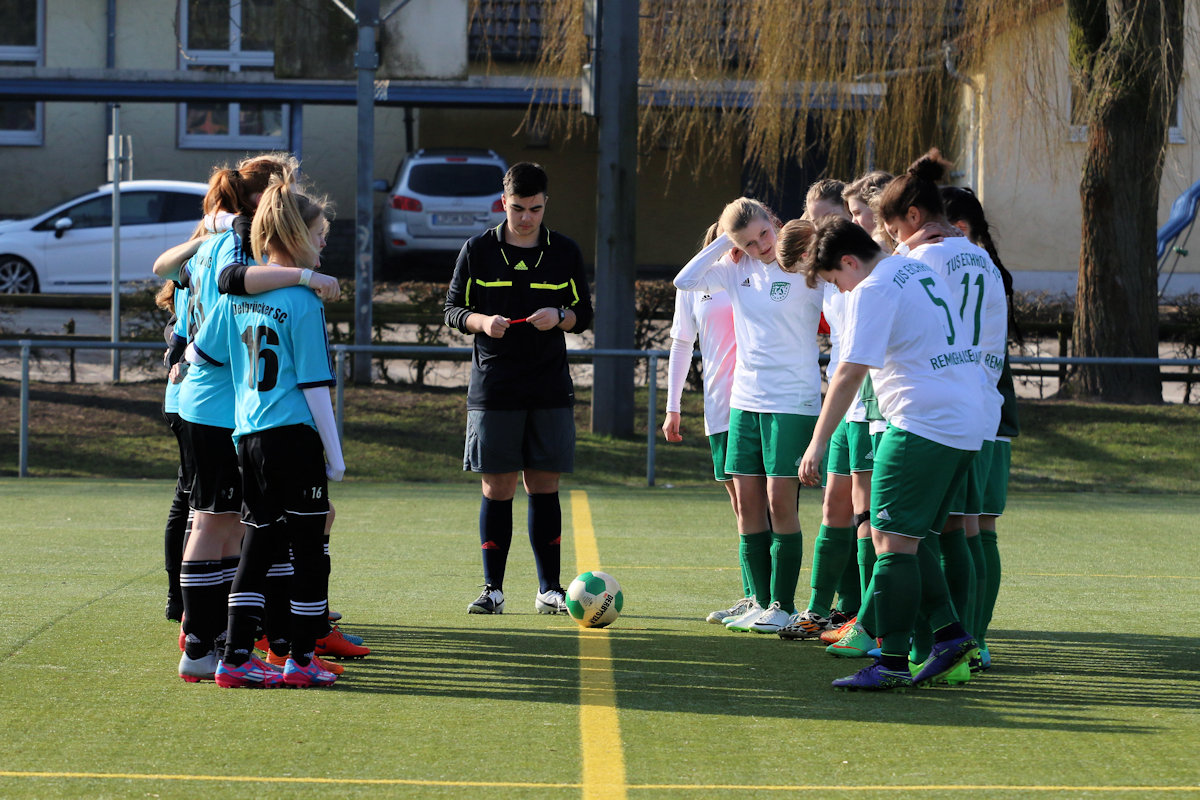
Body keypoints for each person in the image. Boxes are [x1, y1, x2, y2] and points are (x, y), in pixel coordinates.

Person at [795, 216, 988, 691]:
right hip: (965, 419)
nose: (839, 293)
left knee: (889, 538)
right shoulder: (911, 269)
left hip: (923, 423)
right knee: (909, 536)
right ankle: (948, 635)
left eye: (835, 282)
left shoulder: (873, 288)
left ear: (847, 262)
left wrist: (817, 443)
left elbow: (848, 372)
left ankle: (893, 663)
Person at [187, 178, 344, 688]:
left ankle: (233, 657)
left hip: (247, 435)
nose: (323, 244)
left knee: (258, 543)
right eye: (319, 234)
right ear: (297, 234)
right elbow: (317, 385)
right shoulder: (303, 300)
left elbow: (201, 352)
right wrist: (336, 454)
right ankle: (301, 658)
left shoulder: (237, 296)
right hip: (293, 436)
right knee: (308, 549)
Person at [444, 162, 594, 616]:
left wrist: (561, 317)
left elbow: (583, 313)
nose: (526, 217)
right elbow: (452, 309)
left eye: (534, 208)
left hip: (549, 387)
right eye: (517, 208)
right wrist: (481, 321)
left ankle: (549, 589)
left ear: (545, 203)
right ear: (502, 202)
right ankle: (493, 589)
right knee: (498, 487)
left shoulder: (564, 251)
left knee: (543, 485)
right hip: (495, 387)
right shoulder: (477, 250)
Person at [876, 149, 1007, 663]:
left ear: (911, 217)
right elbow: (992, 345)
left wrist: (902, 255)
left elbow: (907, 320)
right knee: (954, 530)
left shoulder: (915, 263)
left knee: (914, 534)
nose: (889, 241)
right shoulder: (984, 262)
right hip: (976, 410)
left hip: (928, 413)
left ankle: (919, 649)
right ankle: (961, 642)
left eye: (889, 230)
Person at [674, 197, 824, 635]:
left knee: (781, 505)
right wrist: (724, 240)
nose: (761, 245)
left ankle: (783, 605)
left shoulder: (805, 266)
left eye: (764, 233)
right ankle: (758, 602)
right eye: (749, 240)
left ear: (774, 223)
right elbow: (686, 280)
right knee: (751, 509)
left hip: (792, 402)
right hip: (745, 401)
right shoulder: (735, 269)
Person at [778, 180, 860, 640]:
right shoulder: (828, 279)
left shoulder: (868, 271)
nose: (813, 228)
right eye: (808, 219)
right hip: (846, 403)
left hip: (874, 404)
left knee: (870, 518)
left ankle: (859, 613)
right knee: (836, 505)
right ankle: (824, 611)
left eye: (822, 219)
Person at [942, 185, 1020, 670]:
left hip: (977, 412)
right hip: (982, 409)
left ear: (962, 229)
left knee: (973, 527)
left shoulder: (971, 268)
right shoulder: (984, 266)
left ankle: (974, 637)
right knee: (975, 527)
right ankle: (974, 638)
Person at [660, 223, 742, 624]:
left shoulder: (758, 273)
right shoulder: (698, 283)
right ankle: (754, 596)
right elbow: (681, 342)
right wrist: (672, 405)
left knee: (768, 503)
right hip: (719, 408)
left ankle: (771, 600)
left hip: (763, 404)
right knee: (741, 505)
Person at [155, 278, 193, 624]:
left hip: (186, 401)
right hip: (195, 403)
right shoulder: (212, 270)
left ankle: (181, 599)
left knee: (188, 496)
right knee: (199, 501)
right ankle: (186, 600)